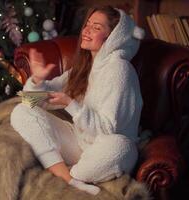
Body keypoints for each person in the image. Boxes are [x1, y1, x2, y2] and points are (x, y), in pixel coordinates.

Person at [10, 5, 144, 195]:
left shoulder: (119, 69)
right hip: (79, 142)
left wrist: (71, 105)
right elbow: (33, 101)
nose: (86, 31)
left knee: (120, 146)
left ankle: (71, 176)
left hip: (105, 149)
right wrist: (37, 80)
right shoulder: (84, 66)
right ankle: (69, 179)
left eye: (96, 27)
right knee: (21, 111)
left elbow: (107, 130)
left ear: (113, 37)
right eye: (87, 24)